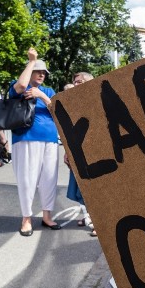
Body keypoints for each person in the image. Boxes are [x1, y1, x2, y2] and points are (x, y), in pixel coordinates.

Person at [9, 48, 60, 236]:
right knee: (27, 179)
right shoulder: (17, 85)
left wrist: (42, 95)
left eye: (44, 72)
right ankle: (26, 218)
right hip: (25, 138)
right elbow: (21, 87)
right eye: (38, 71)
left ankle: (47, 216)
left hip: (50, 139)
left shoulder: (48, 90)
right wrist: (31, 61)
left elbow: (58, 111)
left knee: (49, 178)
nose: (42, 74)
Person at [64, 71, 96, 234]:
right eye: (75, 82)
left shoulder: (95, 101)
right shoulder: (73, 103)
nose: (75, 85)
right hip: (78, 151)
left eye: (79, 82)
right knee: (80, 187)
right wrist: (67, 151)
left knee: (94, 188)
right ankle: (89, 216)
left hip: (93, 152)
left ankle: (99, 221)